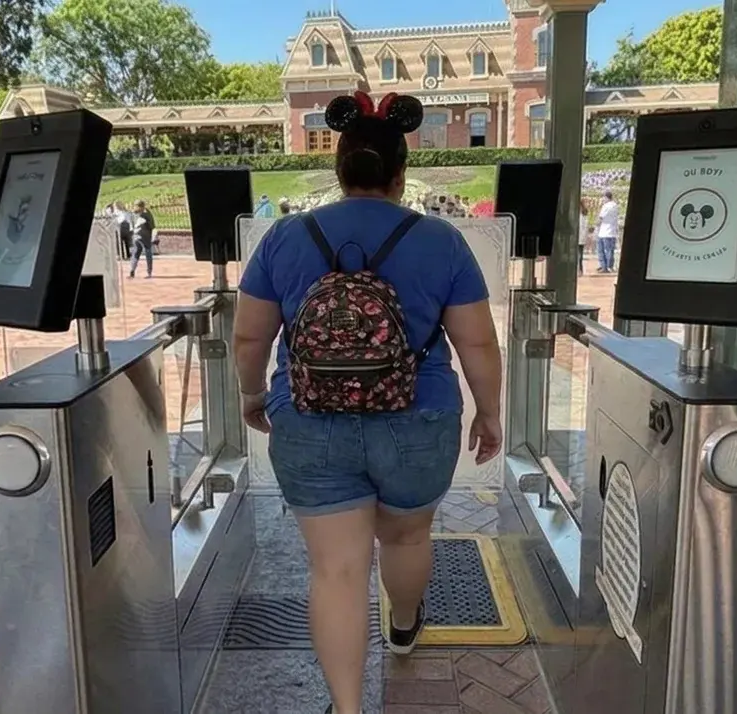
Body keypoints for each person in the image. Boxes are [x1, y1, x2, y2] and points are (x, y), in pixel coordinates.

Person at [233, 91, 503, 714]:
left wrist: (253, 395)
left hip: (308, 417)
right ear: (401, 172)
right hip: (419, 417)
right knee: (407, 539)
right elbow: (478, 343)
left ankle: (348, 708)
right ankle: (404, 625)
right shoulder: (441, 240)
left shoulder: (284, 237)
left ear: (340, 168)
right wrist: (488, 411)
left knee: (338, 571)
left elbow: (249, 335)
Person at [128, 199, 156, 278]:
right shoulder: (143, 214)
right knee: (143, 252)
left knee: (141, 252)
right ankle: (144, 271)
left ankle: (136, 269)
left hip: (141, 236)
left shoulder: (139, 214)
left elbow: (152, 226)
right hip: (141, 236)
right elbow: (152, 226)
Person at [596, 189, 620, 272]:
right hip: (612, 231)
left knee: (602, 250)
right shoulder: (615, 205)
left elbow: (600, 217)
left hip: (604, 231)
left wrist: (597, 224)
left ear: (606, 197)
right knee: (610, 250)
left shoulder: (606, 206)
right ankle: (610, 266)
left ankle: (604, 266)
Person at [577, 196, 592, 275]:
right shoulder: (585, 213)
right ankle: (580, 270)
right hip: (582, 236)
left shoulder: (579, 214)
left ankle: (579, 270)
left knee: (577, 254)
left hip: (577, 235)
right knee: (580, 254)